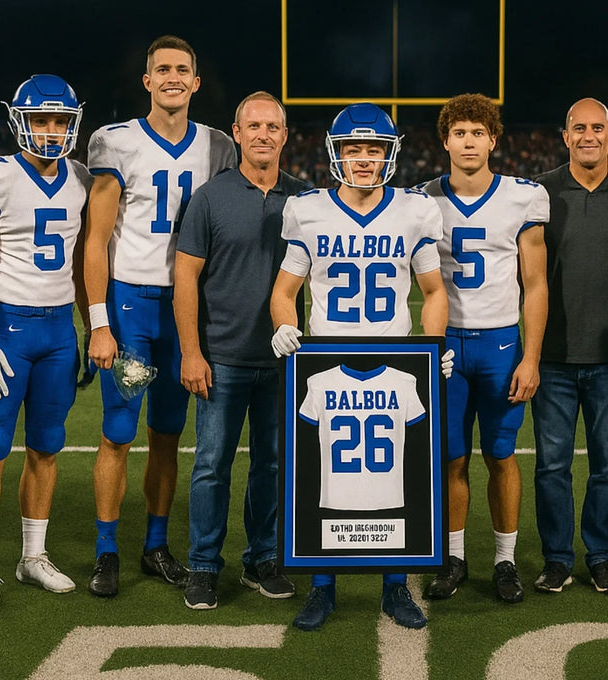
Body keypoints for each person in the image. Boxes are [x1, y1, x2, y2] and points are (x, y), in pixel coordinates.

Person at [269, 102, 451, 632]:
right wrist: (284, 324)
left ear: (389, 155)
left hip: (395, 354)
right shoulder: (308, 210)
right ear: (337, 154)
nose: (364, 160)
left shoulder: (414, 211)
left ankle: (396, 586)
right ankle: (322, 587)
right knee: (324, 469)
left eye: (374, 150)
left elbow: (434, 291)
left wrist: (432, 346)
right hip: (326, 356)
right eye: (354, 150)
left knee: (397, 468)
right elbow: (285, 291)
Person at [84, 36, 236, 597]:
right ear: (147, 80)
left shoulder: (219, 147)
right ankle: (105, 551)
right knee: (119, 431)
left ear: (196, 82)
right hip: (131, 306)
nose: (172, 77)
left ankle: (154, 545)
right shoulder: (117, 141)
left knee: (169, 433)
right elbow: (95, 240)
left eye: (182, 70)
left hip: (187, 309)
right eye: (162, 69)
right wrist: (99, 321)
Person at [173, 91, 307, 610]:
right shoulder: (209, 197)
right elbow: (186, 279)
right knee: (211, 464)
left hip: (282, 360)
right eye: (254, 126)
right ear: (236, 132)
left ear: (285, 134)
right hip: (222, 357)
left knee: (272, 466)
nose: (263, 135)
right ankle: (204, 565)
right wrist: (191, 351)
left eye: (272, 126)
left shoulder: (304, 199)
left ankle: (262, 558)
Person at [421, 93, 548, 603]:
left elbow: (535, 284)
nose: (468, 141)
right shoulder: (420, 198)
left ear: (493, 139)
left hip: (500, 343)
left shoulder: (523, 196)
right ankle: (453, 558)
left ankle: (504, 561)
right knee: (451, 459)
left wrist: (531, 355)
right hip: (446, 345)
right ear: (445, 141)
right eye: (459, 132)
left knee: (500, 455)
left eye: (478, 132)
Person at [531, 98, 608, 594]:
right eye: (580, 127)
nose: (589, 135)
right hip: (551, 356)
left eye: (598, 127)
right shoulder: (540, 193)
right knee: (551, 465)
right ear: (565, 134)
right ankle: (556, 557)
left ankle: (600, 556)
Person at [0, 75, 91, 604]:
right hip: (6, 327)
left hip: (58, 329)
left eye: (60, 121)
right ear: (20, 122)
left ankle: (33, 556)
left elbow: (81, 262)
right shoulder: (1, 175)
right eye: (40, 120)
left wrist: (92, 324)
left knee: (46, 447)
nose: (51, 131)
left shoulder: (79, 177)